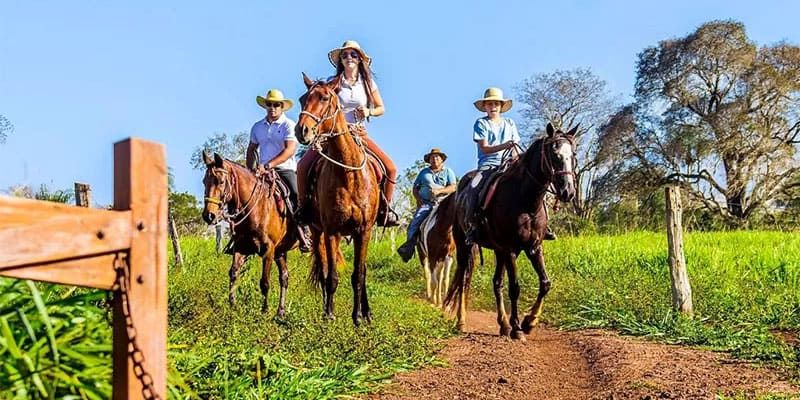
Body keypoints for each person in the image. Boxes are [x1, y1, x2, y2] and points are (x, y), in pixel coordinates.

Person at [296, 40, 400, 227]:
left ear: (359, 59)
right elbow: (320, 106)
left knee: (391, 168)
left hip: (359, 133)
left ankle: (385, 210)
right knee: (303, 166)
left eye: (353, 54)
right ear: (340, 61)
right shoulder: (332, 83)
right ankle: (303, 208)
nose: (349, 58)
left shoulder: (367, 84)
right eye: (344, 55)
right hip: (332, 135)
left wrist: (368, 112)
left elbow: (381, 108)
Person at [465, 87, 555, 244]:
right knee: (474, 186)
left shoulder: (510, 123)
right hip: (489, 164)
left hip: (510, 162)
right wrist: (504, 146)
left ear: (501, 106)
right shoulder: (481, 123)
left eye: (496, 104)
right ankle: (473, 226)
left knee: (535, 185)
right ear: (485, 107)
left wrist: (517, 159)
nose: (493, 107)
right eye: (490, 104)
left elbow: (514, 147)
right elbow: (484, 148)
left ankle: (543, 225)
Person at [246, 88, 312, 252]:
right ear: (265, 106)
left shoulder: (289, 125)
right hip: (262, 172)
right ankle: (241, 236)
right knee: (244, 196)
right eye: (269, 104)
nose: (272, 108)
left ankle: (305, 232)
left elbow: (289, 150)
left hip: (284, 169)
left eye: (276, 105)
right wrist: (251, 170)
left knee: (296, 195)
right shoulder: (257, 127)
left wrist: (269, 165)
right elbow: (251, 149)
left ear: (282, 107)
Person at [396, 148, 457, 262]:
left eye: (437, 157)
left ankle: (464, 244)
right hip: (427, 204)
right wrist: (418, 199)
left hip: (443, 204)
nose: (434, 159)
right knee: (413, 225)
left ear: (442, 159)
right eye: (432, 157)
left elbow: (453, 187)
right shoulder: (423, 172)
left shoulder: (448, 171)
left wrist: (440, 191)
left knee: (458, 221)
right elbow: (415, 188)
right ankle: (409, 248)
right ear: (429, 160)